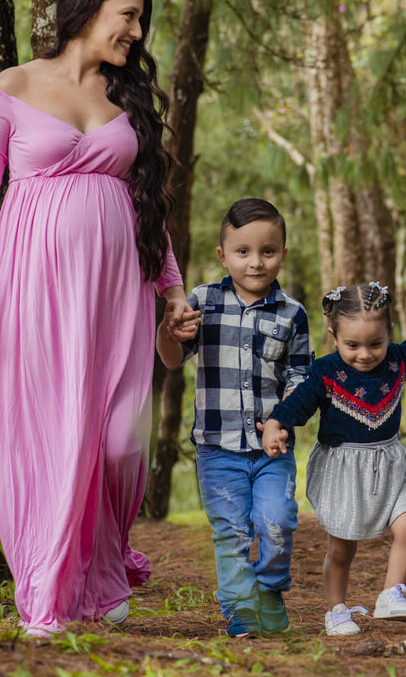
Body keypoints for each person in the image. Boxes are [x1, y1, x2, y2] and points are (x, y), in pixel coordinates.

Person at [0, 0, 199, 636]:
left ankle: (103, 570)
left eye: (140, 18)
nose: (136, 31)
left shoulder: (129, 100)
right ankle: (49, 589)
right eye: (128, 15)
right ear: (89, 10)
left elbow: (153, 211)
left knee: (117, 437)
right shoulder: (14, 86)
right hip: (34, 289)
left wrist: (172, 290)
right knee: (49, 432)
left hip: (118, 296)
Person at [157, 198, 313, 638]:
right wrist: (166, 331)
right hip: (217, 448)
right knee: (232, 533)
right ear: (223, 255)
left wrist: (282, 419)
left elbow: (302, 375)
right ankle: (242, 611)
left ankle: (268, 590)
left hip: (271, 448)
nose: (256, 262)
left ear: (283, 252)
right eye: (243, 251)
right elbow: (172, 358)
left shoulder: (292, 313)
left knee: (277, 521)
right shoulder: (202, 301)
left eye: (268, 251)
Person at [261, 282, 406, 636]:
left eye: (375, 343)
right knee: (342, 548)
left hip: (390, 465)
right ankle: (336, 610)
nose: (364, 354)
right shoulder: (326, 371)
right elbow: (300, 401)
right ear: (334, 335)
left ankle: (391, 593)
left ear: (388, 333)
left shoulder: (397, 359)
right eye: (352, 345)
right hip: (343, 469)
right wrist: (277, 423)